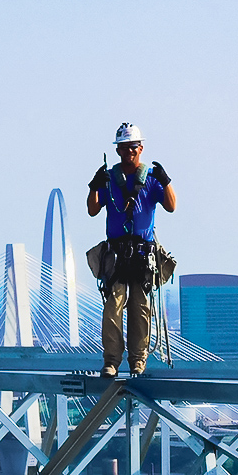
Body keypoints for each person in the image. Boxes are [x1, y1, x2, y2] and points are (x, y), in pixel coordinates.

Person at [85, 122, 176, 377]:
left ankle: (138, 360)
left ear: (140, 148)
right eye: (125, 148)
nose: (129, 152)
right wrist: (94, 186)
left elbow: (171, 206)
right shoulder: (110, 180)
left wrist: (165, 181)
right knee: (113, 305)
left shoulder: (149, 180)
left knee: (140, 307)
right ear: (118, 151)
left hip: (142, 253)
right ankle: (111, 361)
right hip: (116, 253)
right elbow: (92, 210)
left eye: (133, 147)